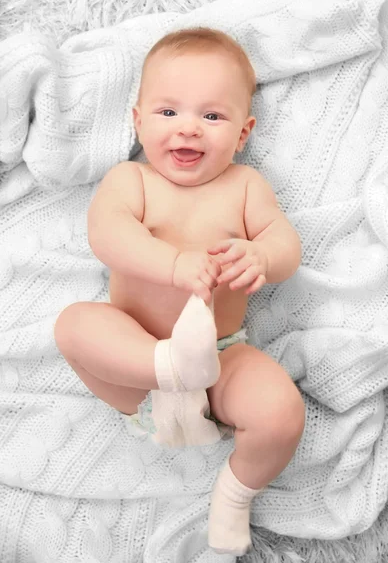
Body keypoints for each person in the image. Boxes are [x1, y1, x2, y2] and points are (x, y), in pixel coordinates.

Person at [54, 27, 305, 556]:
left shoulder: (245, 186)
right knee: (76, 324)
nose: (189, 128)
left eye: (212, 116)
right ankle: (168, 362)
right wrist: (172, 265)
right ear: (137, 119)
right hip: (138, 369)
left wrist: (262, 256)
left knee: (281, 413)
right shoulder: (132, 180)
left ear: (243, 132)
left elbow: (285, 244)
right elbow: (108, 235)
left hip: (220, 360)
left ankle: (235, 494)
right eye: (168, 112)